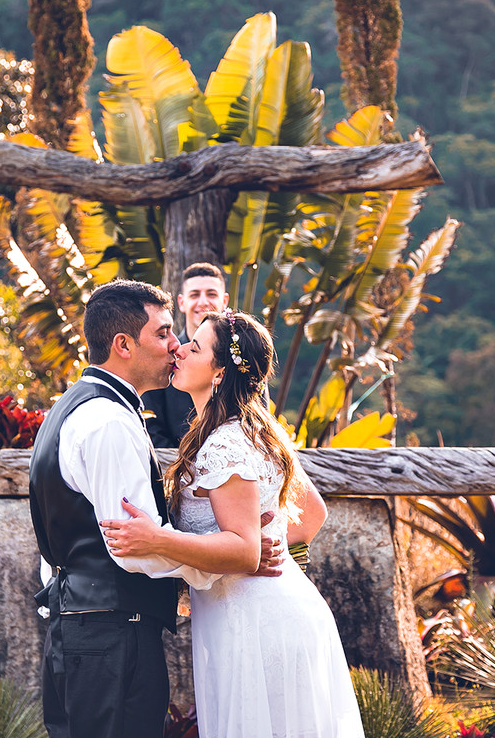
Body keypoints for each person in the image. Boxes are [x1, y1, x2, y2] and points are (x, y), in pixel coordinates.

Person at [29, 281, 283, 738]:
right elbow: (135, 548)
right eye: (163, 333)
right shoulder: (108, 422)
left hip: (86, 626)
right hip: (112, 635)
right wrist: (226, 563)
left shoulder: (75, 407)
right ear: (123, 345)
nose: (175, 345)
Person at [101, 309, 363, 738]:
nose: (180, 349)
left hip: (258, 622)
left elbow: (244, 550)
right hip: (249, 612)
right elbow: (310, 514)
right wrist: (253, 545)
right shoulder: (249, 430)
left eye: (195, 346)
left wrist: (161, 540)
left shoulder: (227, 442)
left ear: (219, 372)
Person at [143, 262, 229, 448]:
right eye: (195, 294)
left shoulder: (240, 357)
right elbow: (151, 425)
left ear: (225, 301)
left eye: (212, 294)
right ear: (182, 302)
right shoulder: (161, 355)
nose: (203, 302)